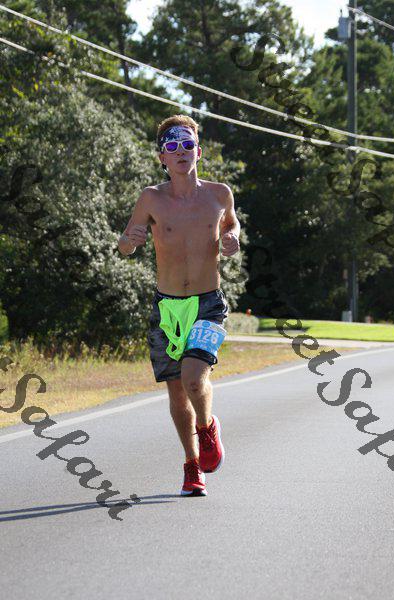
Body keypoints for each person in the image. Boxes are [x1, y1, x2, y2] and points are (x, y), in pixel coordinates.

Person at [118, 115, 240, 497]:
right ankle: (191, 465)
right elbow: (124, 244)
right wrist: (130, 241)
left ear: (198, 152)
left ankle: (207, 428)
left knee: (194, 379)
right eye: (172, 147)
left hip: (208, 303)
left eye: (187, 145)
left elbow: (231, 224)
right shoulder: (151, 198)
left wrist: (233, 237)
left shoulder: (219, 194)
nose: (181, 152)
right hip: (168, 308)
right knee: (176, 394)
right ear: (162, 158)